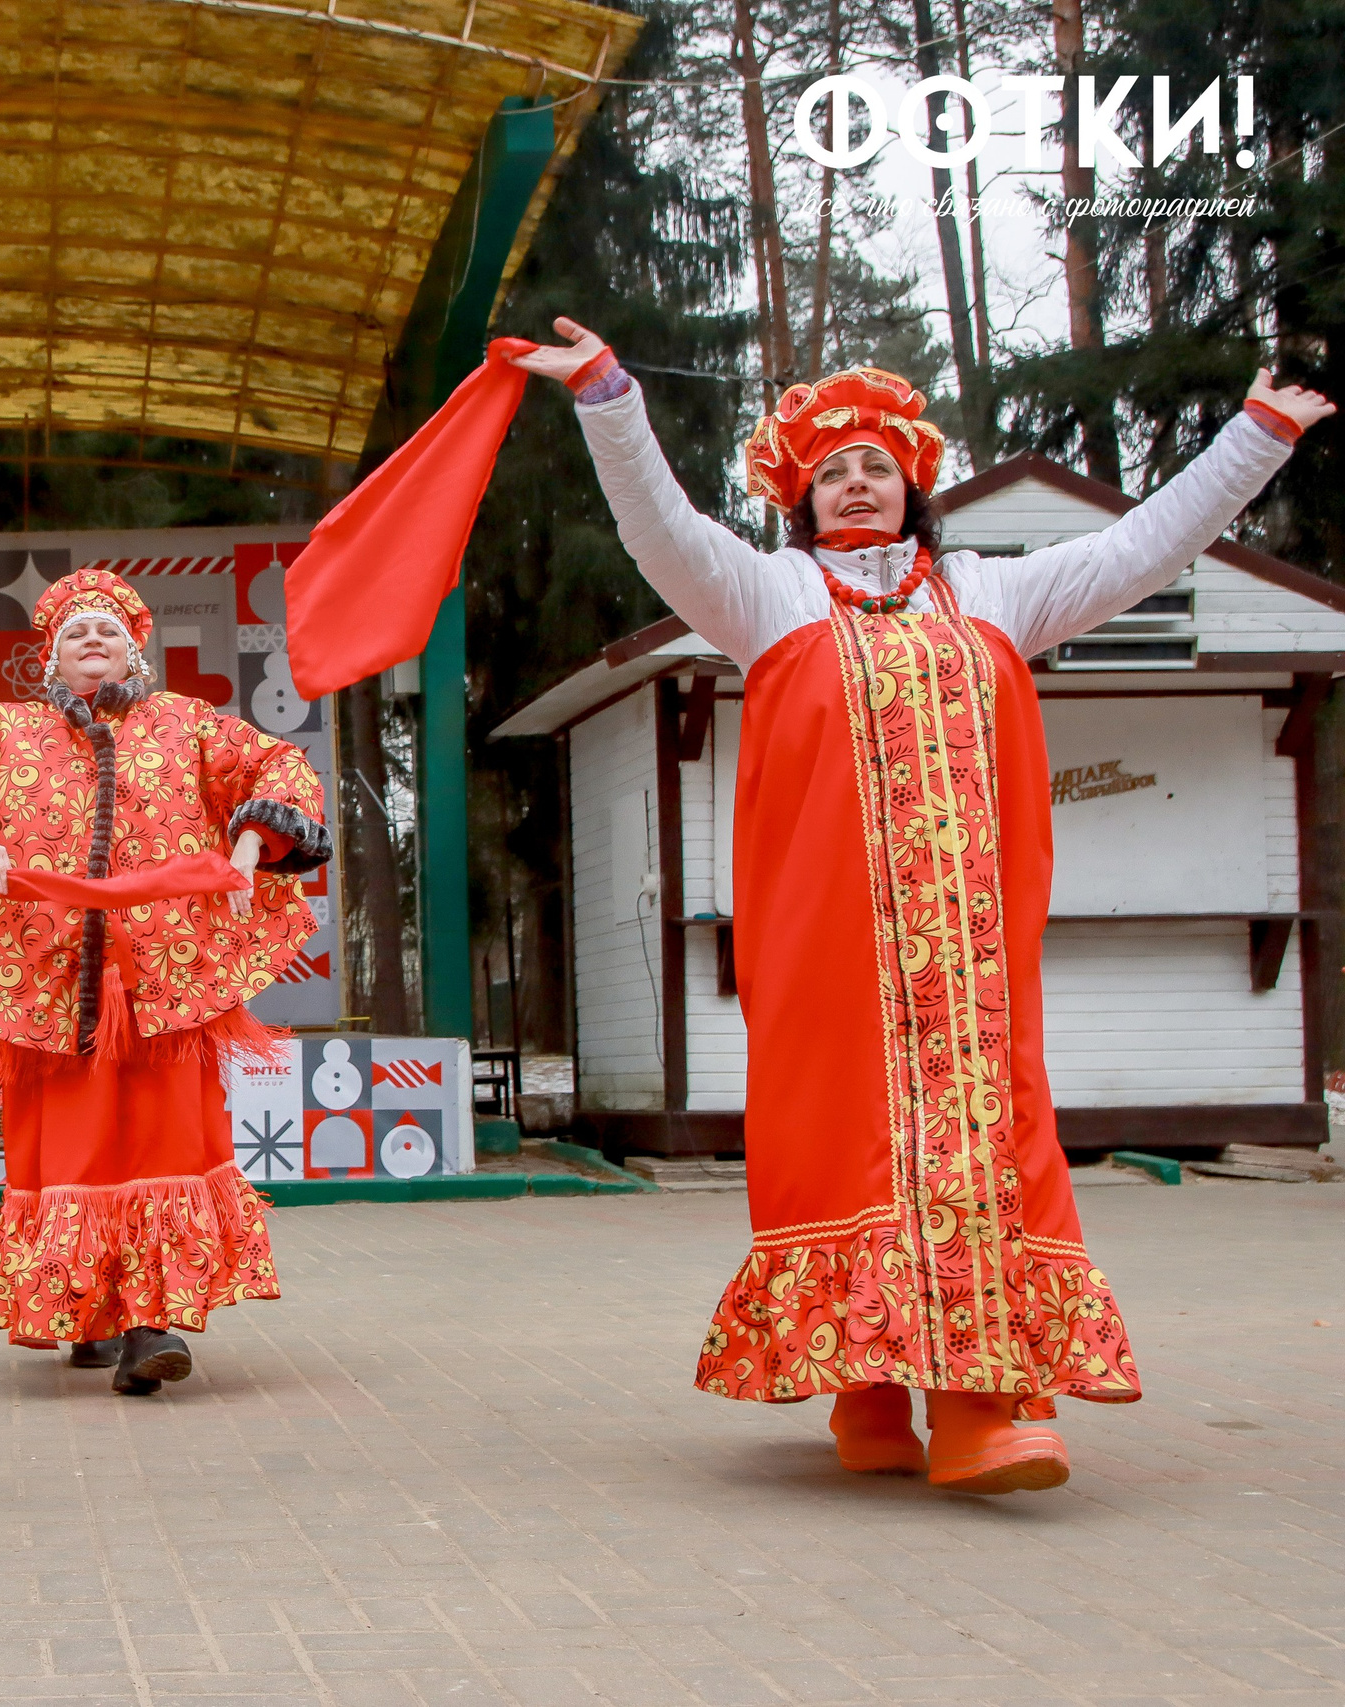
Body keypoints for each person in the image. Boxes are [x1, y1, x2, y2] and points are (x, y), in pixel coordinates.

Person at [508, 319, 1331, 1492]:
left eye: (875, 466)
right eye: (831, 470)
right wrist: (606, 394)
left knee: (985, 1150)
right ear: (800, 498)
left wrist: (1257, 436)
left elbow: (1150, 544)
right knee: (849, 1147)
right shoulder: (768, 597)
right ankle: (869, 1388)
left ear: (911, 488)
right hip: (832, 958)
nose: (855, 482)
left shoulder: (997, 596)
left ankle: (978, 1404)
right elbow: (660, 526)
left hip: (972, 961)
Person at [0, 569, 330, 1393]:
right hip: (48, 993)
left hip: (165, 988)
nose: (93, 639)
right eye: (75, 630)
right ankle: (87, 1313)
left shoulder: (187, 726)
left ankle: (147, 1325)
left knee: (166, 1142)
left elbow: (280, 766)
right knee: (72, 1156)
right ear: (49, 657)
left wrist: (254, 841)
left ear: (136, 649)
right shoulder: (5, 732)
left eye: (108, 630)